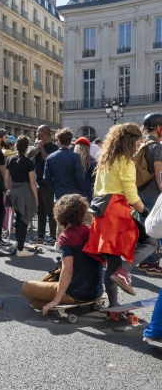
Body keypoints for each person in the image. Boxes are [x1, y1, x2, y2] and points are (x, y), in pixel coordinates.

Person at [83, 123, 153, 306]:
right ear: (130, 142)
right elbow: (130, 193)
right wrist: (147, 212)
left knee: (112, 263)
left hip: (102, 210)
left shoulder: (106, 159)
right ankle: (124, 271)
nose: (138, 149)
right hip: (117, 211)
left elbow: (97, 189)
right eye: (137, 145)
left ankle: (113, 306)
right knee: (152, 241)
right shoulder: (126, 161)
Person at [22, 194, 104, 311]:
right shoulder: (90, 229)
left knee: (27, 287)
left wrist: (56, 299)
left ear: (59, 213)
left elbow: (67, 269)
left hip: (76, 293)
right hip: (96, 291)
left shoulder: (66, 237)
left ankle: (54, 302)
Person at [136, 113, 162, 275]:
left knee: (145, 228)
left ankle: (144, 261)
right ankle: (152, 263)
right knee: (154, 229)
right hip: (153, 192)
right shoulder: (157, 147)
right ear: (158, 127)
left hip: (140, 192)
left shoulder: (142, 144)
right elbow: (159, 172)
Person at [5, 135, 38, 257]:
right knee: (24, 218)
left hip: (14, 191)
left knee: (18, 217)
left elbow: (6, 178)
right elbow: (32, 182)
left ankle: (19, 244)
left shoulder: (11, 159)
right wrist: (36, 198)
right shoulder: (29, 162)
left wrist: (11, 187)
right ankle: (20, 248)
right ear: (27, 147)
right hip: (25, 191)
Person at [30, 125, 59, 244]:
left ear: (43, 132)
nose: (36, 133)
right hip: (38, 183)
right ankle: (41, 235)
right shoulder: (37, 146)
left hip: (48, 183)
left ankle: (52, 235)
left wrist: (42, 148)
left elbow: (48, 160)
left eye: (38, 131)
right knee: (40, 210)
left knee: (50, 209)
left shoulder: (53, 147)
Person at [44, 128, 85, 201]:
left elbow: (46, 178)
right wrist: (78, 189)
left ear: (58, 140)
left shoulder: (50, 157)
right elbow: (79, 177)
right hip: (74, 193)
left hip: (58, 193)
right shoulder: (75, 157)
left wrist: (56, 186)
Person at [73, 137, 97, 202]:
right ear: (88, 148)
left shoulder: (71, 159)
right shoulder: (91, 160)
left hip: (71, 191)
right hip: (86, 191)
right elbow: (94, 178)